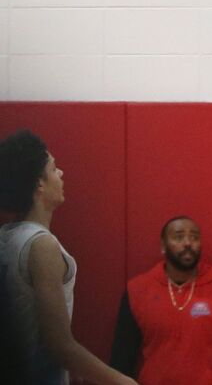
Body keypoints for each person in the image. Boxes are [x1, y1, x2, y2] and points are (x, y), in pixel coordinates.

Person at [0, 129, 137, 385]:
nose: (61, 173)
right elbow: (59, 345)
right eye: (54, 169)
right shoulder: (42, 246)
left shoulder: (7, 236)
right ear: (39, 183)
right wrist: (122, 381)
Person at [110, 216, 212, 385]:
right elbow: (122, 358)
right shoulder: (138, 291)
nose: (188, 243)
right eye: (179, 237)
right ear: (163, 246)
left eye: (194, 237)